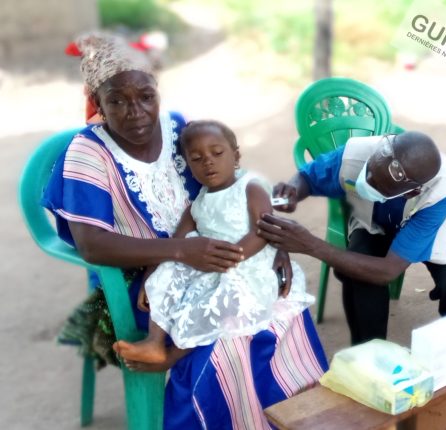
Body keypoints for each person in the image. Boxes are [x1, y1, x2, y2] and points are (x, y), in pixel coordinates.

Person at [42, 33, 327, 429]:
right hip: (137, 282)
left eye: (146, 96)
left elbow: (228, 184)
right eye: (117, 101)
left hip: (210, 254)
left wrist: (271, 241)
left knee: (282, 303)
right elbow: (92, 245)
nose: (136, 112)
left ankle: (290, 418)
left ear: (157, 90)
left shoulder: (176, 127)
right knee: (227, 327)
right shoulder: (87, 153)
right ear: (98, 103)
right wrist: (176, 252)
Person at [257, 131, 446, 407]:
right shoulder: (358, 153)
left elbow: (388, 270)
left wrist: (311, 245)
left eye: (378, 184)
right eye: (369, 172)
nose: (367, 180)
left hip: (434, 224)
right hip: (374, 221)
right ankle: (368, 363)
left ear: (412, 191)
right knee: (359, 273)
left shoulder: (441, 191)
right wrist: (293, 190)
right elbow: (308, 178)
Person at [113, 120, 314, 365]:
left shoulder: (250, 187)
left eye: (217, 153)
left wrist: (232, 257)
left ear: (236, 156)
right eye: (196, 159)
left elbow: (264, 230)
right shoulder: (198, 205)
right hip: (212, 266)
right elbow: (175, 243)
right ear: (188, 165)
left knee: (217, 304)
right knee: (169, 269)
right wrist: (151, 275)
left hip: (248, 265)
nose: (208, 161)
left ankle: (172, 356)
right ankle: (154, 341)